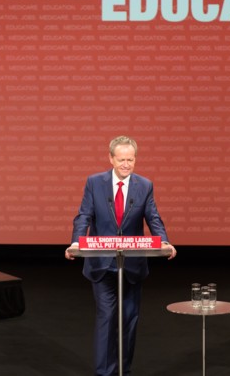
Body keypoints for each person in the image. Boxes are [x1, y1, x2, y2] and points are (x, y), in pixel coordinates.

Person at [65, 136, 176, 376]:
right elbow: (84, 214)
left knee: (129, 319)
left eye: (130, 159)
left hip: (132, 265)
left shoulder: (144, 185)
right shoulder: (95, 183)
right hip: (102, 264)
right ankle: (105, 372)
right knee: (106, 317)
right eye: (121, 159)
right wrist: (76, 242)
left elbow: (153, 217)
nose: (126, 164)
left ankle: (123, 369)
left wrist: (164, 240)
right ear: (111, 158)